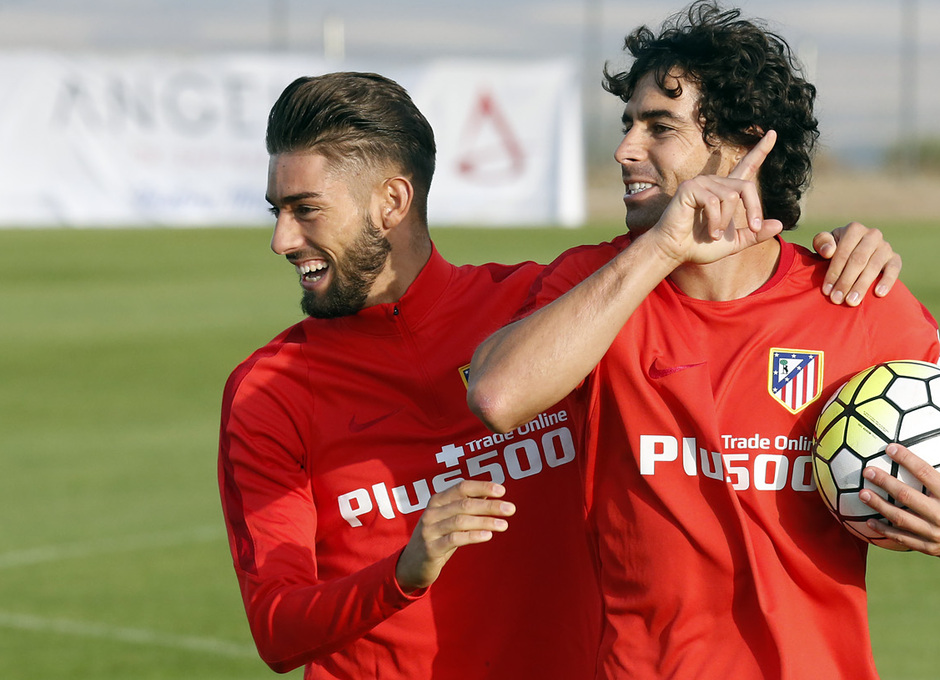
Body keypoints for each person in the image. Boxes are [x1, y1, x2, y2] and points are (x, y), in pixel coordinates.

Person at [218, 70, 904, 679]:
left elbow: (723, 306)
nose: (281, 240)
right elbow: (279, 631)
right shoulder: (270, 390)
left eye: (304, 210)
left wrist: (843, 259)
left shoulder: (546, 308)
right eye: (276, 212)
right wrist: (402, 573)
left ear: (393, 202)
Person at [467, 3, 940, 680]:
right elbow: (496, 394)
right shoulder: (597, 284)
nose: (625, 148)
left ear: (745, 147)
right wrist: (661, 247)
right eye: (628, 123)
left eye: (659, 127)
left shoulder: (854, 298)